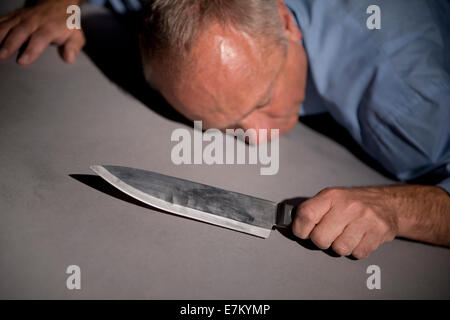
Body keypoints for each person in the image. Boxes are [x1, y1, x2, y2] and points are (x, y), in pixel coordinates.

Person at [1, 0, 449, 259]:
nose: (256, 137)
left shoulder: (411, 100)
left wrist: (400, 208)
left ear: (287, 23)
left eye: (259, 102)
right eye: (226, 125)